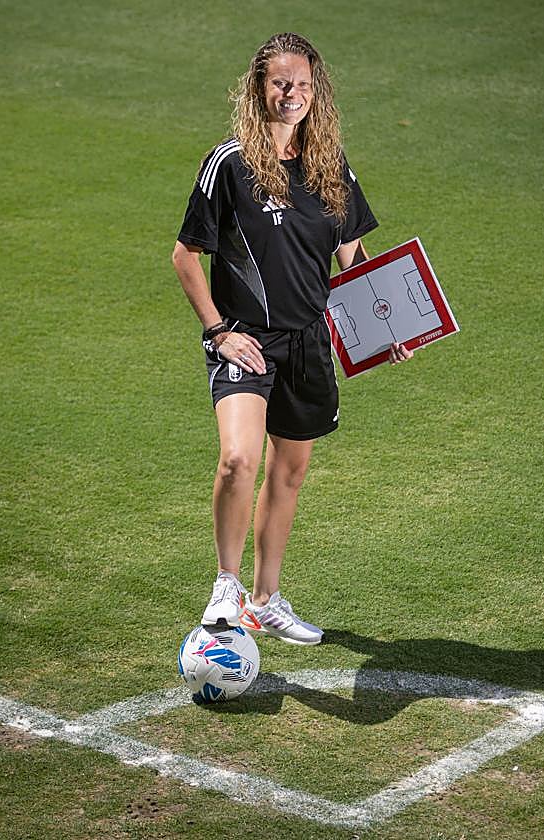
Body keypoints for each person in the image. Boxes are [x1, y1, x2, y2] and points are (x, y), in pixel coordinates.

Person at [171, 32, 412, 646]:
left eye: (303, 84)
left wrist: (388, 331)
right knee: (237, 460)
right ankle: (226, 584)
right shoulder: (229, 164)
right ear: (258, 88)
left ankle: (265, 598)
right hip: (246, 339)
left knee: (290, 470)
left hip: (310, 340)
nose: (292, 94)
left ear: (316, 91)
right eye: (281, 82)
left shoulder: (331, 167)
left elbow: (353, 261)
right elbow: (185, 256)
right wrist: (219, 330)